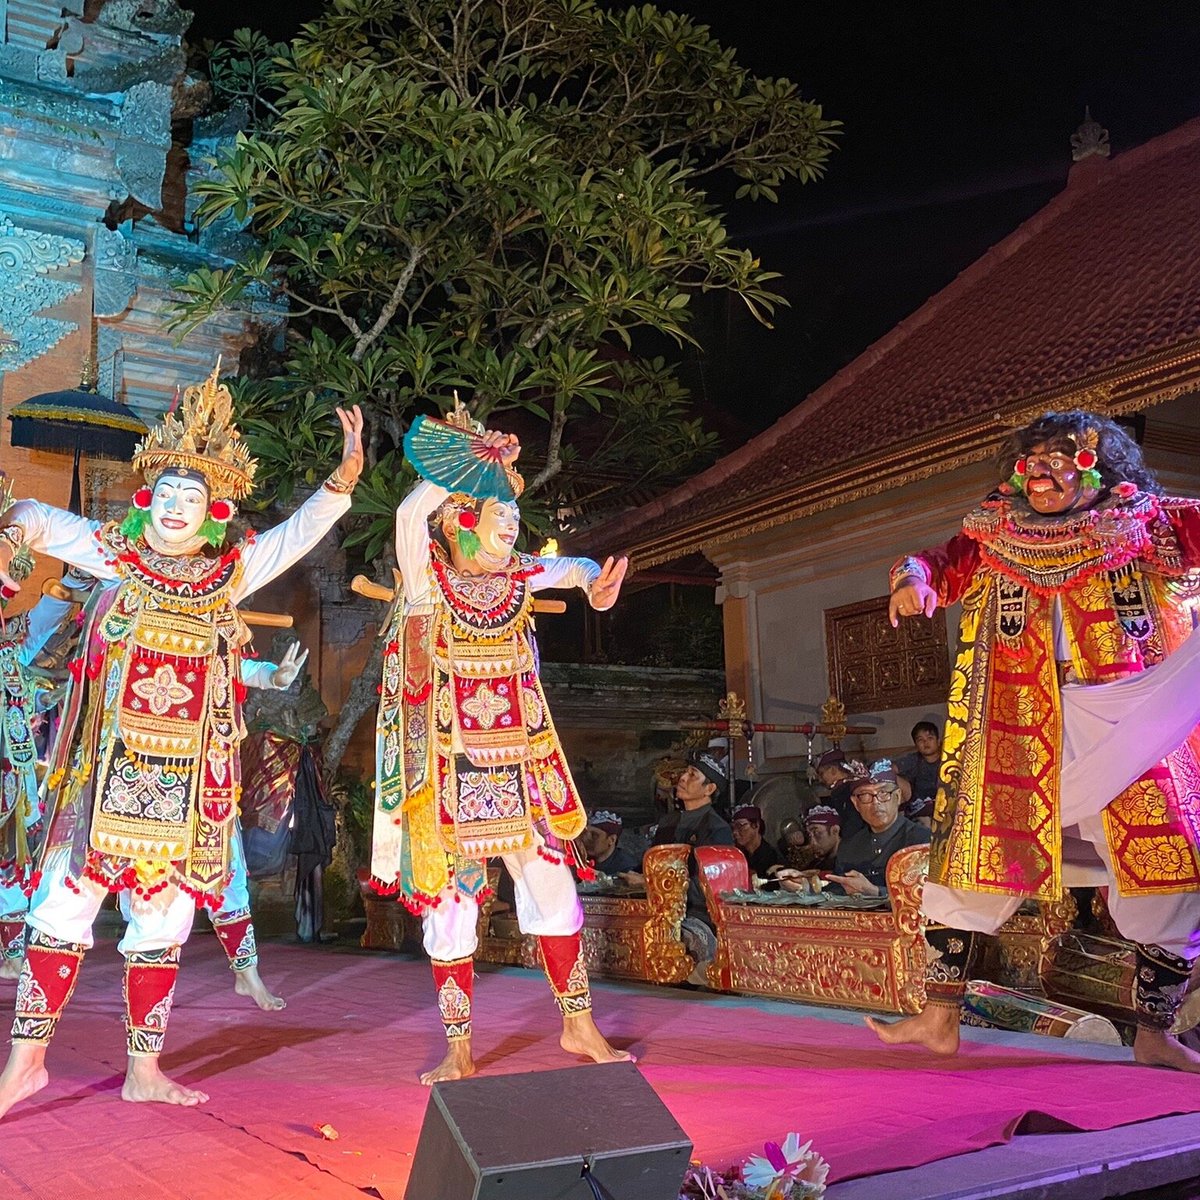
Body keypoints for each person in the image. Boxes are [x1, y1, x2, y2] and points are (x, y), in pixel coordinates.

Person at [0, 366, 362, 1119]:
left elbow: (296, 537)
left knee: (161, 925)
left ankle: (145, 1069)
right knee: (63, 912)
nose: (174, 506)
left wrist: (340, 482)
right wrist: (14, 527)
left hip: (187, 782)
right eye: (164, 492)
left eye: (190, 497)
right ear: (146, 500)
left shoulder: (228, 574)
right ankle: (25, 1064)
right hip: (106, 772)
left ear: (213, 512)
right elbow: (39, 518)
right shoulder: (115, 554)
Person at [868, 410, 1200, 1072]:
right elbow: (933, 564)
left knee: (1165, 867)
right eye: (1034, 459)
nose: (1044, 471)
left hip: (1127, 718)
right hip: (1021, 722)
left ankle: (1154, 1033)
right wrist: (914, 582)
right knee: (972, 861)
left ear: (1101, 470)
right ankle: (938, 1019)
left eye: (1063, 458)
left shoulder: (1147, 521)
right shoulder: (994, 533)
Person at [370, 413, 632, 1085]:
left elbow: (569, 566)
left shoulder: (518, 578)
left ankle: (578, 1025)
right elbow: (407, 512)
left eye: (515, 516)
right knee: (453, 903)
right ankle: (459, 1046)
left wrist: (593, 589)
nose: (511, 526)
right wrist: (469, 462)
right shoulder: (430, 582)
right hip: (451, 772)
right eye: (498, 514)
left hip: (521, 764)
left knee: (551, 884)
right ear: (460, 520)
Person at [623, 749, 734, 983]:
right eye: (685, 773)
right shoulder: (669, 822)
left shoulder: (717, 829)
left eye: (693, 775)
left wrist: (654, 885)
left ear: (710, 789)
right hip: (659, 909)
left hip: (696, 913)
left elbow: (711, 889)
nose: (683, 778)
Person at [825, 763, 929, 897]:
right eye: (866, 795)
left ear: (897, 797)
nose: (876, 803)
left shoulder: (921, 842)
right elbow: (836, 890)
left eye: (883, 793)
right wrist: (806, 888)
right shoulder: (848, 847)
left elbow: (926, 897)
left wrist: (875, 892)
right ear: (856, 803)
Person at [897, 721, 942, 824]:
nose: (925, 743)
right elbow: (892, 768)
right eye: (920, 740)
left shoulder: (949, 759)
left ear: (938, 741)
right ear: (916, 745)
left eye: (930, 738)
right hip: (919, 809)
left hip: (945, 807)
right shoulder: (913, 760)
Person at [579, 811, 639, 877]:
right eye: (585, 833)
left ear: (612, 840)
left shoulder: (627, 868)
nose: (586, 839)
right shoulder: (581, 857)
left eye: (594, 835)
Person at [731, 804, 783, 878]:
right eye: (733, 827)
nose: (735, 832)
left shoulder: (771, 856)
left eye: (740, 826)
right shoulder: (739, 854)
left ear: (756, 825)